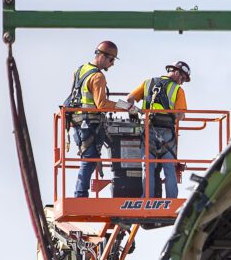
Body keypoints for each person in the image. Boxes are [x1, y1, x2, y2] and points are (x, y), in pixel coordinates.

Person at [70, 41, 139, 197]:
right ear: (102, 56)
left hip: (76, 121)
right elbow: (101, 104)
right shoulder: (98, 76)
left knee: (88, 158)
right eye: (111, 59)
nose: (112, 64)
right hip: (89, 123)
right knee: (89, 159)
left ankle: (80, 194)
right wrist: (126, 107)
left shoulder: (80, 70)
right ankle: (80, 195)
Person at [124, 61, 190, 198]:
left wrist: (135, 113)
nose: (182, 82)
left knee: (147, 167)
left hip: (148, 131)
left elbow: (129, 99)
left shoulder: (148, 83)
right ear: (177, 72)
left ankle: (147, 198)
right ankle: (171, 200)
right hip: (166, 134)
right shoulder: (178, 90)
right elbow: (180, 115)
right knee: (169, 169)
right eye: (182, 78)